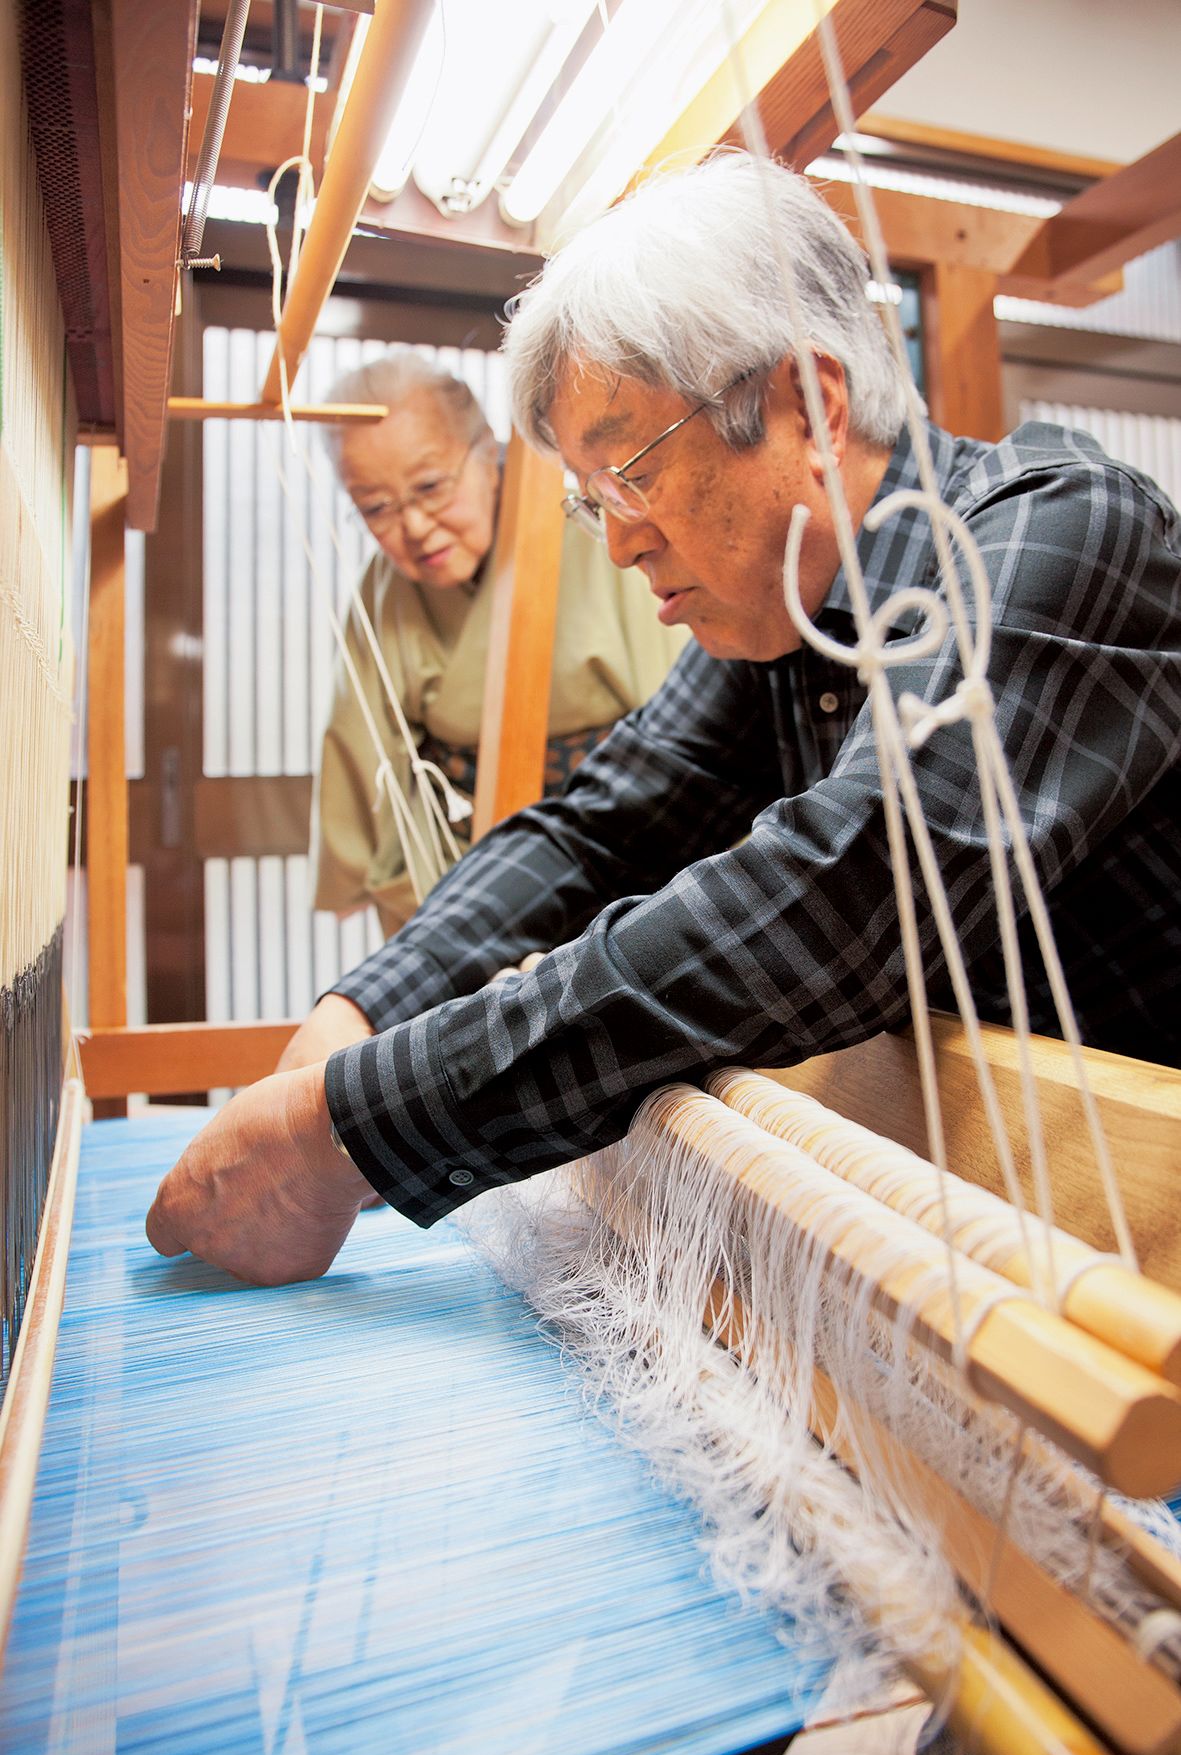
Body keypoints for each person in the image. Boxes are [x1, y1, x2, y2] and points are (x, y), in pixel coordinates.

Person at [146, 151, 1181, 1286]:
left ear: (809, 406)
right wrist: (360, 1011)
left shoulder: (1067, 531)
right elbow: (598, 830)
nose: (619, 538)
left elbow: (845, 895)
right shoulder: (778, 621)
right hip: (997, 1226)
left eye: (630, 471)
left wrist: (350, 1129)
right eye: (591, 499)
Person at [312, 351, 685, 935]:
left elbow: (688, 713)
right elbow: (361, 737)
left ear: (488, 450)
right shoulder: (384, 590)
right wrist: (352, 863)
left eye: (431, 486)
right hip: (459, 860)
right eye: (376, 508)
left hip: (619, 845)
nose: (412, 526)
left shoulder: (594, 526)